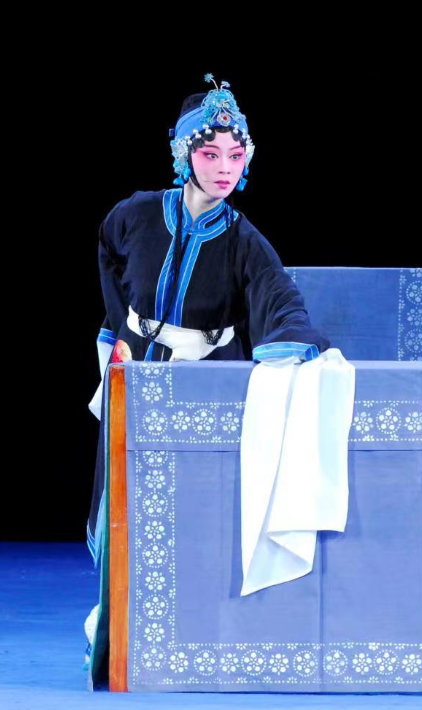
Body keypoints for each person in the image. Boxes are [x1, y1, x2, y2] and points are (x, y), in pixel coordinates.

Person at [84, 74, 331, 667]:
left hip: (203, 384)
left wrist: (297, 343)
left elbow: (281, 299)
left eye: (235, 155)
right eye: (210, 153)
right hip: (135, 375)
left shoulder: (246, 242)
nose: (224, 168)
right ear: (183, 154)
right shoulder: (136, 214)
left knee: (191, 507)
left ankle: (191, 630)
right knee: (123, 495)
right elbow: (108, 252)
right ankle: (116, 619)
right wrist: (116, 329)